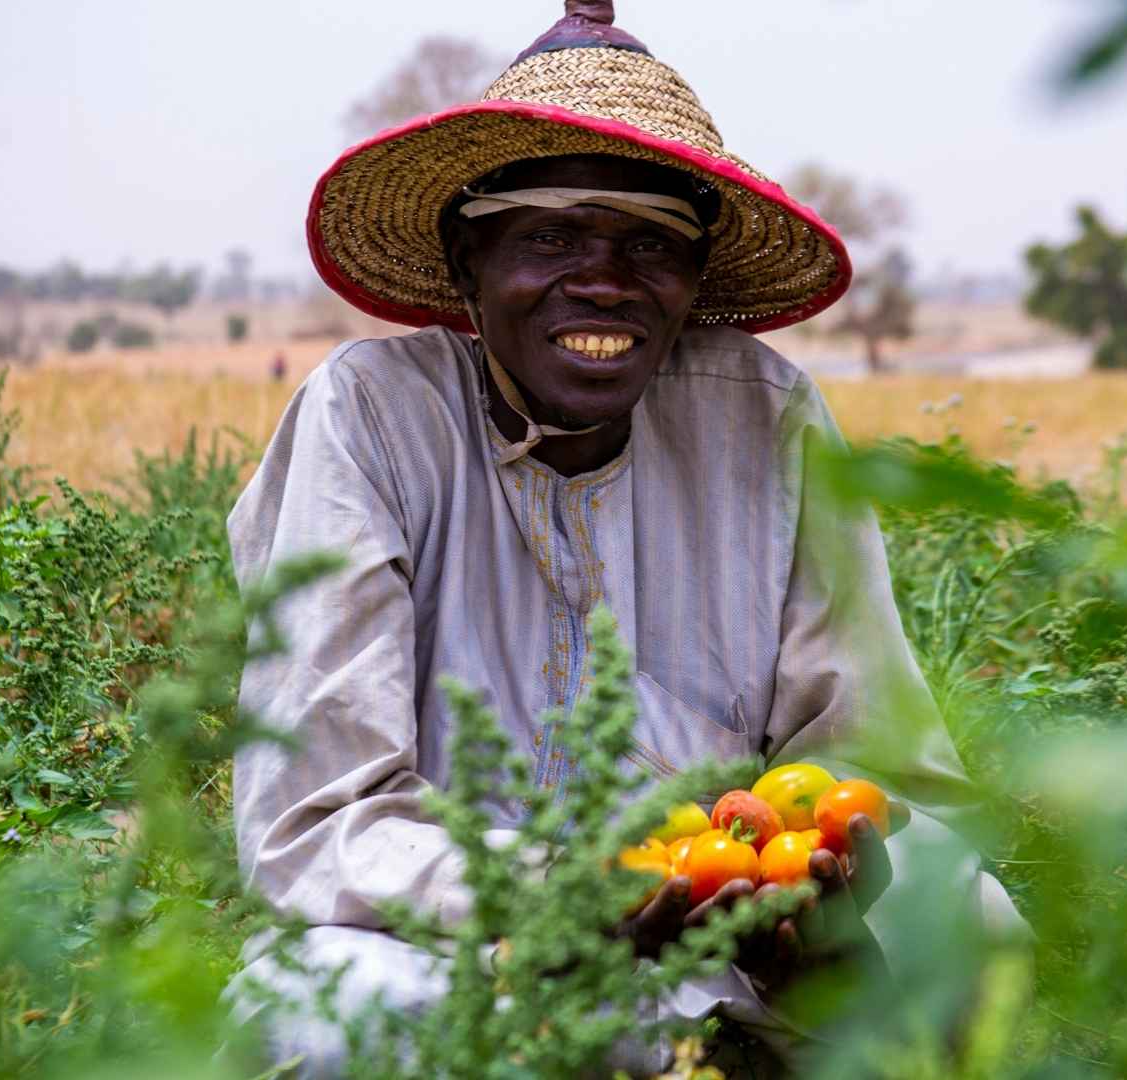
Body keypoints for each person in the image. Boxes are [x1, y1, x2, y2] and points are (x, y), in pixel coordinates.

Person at [225, 2, 1023, 1073]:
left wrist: (814, 887)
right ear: (469, 264)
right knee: (320, 1021)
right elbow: (323, 814)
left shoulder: (768, 414)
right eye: (551, 235)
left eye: (651, 244)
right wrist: (561, 891)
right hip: (458, 934)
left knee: (979, 934)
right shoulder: (370, 414)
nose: (603, 280)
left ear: (695, 282)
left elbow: (867, 755)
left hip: (726, 920)